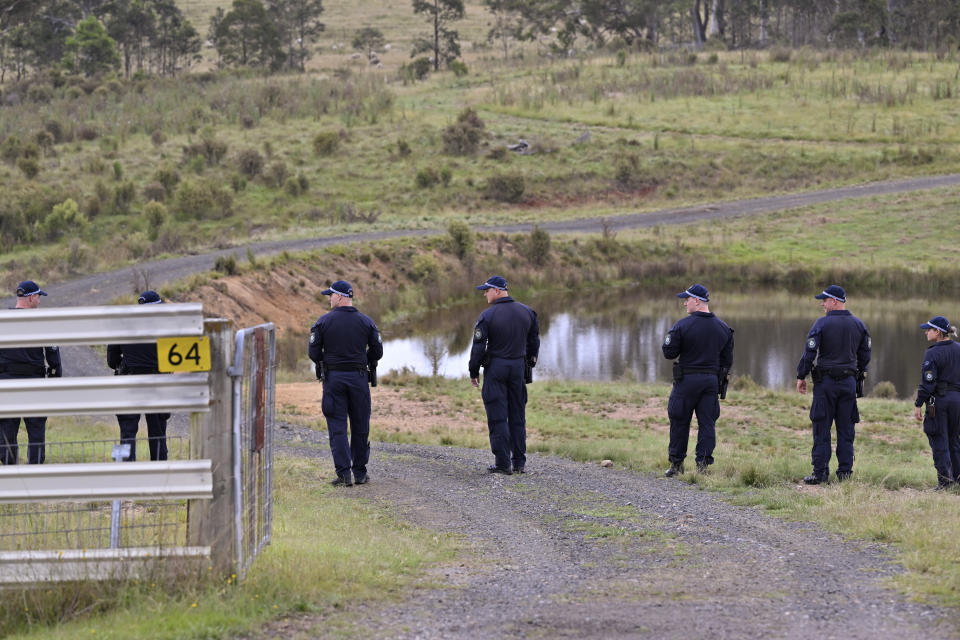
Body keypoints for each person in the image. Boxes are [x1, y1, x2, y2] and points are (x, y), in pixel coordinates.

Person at [308, 280, 382, 487]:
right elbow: (378, 352)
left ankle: (343, 475)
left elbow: (313, 353)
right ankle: (359, 473)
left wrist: (330, 361)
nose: (329, 298)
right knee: (360, 426)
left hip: (334, 380)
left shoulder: (322, 322)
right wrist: (361, 360)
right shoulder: (367, 322)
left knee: (337, 427)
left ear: (339, 296)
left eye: (330, 295)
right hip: (358, 379)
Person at [796, 285, 871, 485]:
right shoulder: (859, 325)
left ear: (835, 301)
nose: (822, 304)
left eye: (825, 300)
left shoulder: (821, 324)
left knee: (821, 427)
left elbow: (809, 352)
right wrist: (858, 374)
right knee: (846, 430)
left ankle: (820, 474)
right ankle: (845, 474)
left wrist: (801, 375)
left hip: (825, 384)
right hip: (848, 384)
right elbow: (865, 355)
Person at [661, 283, 734, 477]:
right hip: (711, 382)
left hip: (687, 381)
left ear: (697, 301)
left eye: (687, 300)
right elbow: (727, 362)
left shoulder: (682, 325)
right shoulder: (724, 328)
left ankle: (676, 465)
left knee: (679, 420)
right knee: (707, 423)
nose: (685, 304)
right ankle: (702, 466)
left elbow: (669, 353)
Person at [469, 275, 540, 475]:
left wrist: (473, 371)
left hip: (496, 369)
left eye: (487, 290)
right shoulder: (527, 312)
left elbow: (478, 348)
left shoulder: (487, 316)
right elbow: (534, 343)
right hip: (518, 368)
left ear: (497, 291)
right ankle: (519, 463)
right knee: (518, 415)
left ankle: (502, 463)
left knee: (497, 416)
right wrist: (529, 364)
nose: (485, 294)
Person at [0, 280, 62, 465]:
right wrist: (53, 383)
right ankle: (35, 472)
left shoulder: (3, 321)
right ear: (31, 297)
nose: (40, 301)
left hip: (6, 384)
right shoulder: (41, 322)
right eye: (38, 297)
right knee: (36, 431)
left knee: (6, 431)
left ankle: (11, 473)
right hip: (34, 385)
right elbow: (54, 359)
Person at [106, 290, 170, 462]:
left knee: (126, 430)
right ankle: (160, 470)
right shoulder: (167, 327)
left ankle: (123, 471)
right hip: (157, 383)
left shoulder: (123, 326)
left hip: (128, 382)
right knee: (158, 432)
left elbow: (111, 360)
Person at [913, 316, 960, 490]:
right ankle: (958, 479)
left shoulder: (932, 353)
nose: (926, 332)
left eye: (929, 329)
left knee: (939, 440)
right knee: (954, 440)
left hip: (940, 402)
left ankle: (945, 483)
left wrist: (919, 403)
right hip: (958, 401)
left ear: (938, 332)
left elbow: (928, 382)